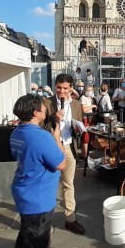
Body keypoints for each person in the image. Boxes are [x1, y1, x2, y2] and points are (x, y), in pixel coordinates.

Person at [10, 94, 67, 248]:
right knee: (34, 247)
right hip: (38, 199)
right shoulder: (41, 137)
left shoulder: (18, 132)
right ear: (36, 112)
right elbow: (61, 163)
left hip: (25, 192)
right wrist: (57, 138)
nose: (46, 109)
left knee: (25, 239)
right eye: (43, 107)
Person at [43, 74, 86, 235]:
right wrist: (53, 118)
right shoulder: (46, 103)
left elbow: (79, 122)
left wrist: (77, 130)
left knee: (69, 184)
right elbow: (40, 126)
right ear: (55, 86)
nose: (61, 91)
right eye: (59, 87)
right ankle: (44, 222)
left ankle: (70, 219)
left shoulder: (75, 104)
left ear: (71, 88)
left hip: (68, 147)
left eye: (65, 88)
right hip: (50, 147)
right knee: (48, 185)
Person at [79, 85, 97, 158]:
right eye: (88, 90)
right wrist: (92, 106)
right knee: (85, 136)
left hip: (90, 117)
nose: (89, 92)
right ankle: (85, 154)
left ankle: (87, 153)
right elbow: (83, 109)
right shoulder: (83, 97)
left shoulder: (91, 98)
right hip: (85, 118)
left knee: (90, 135)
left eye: (91, 90)